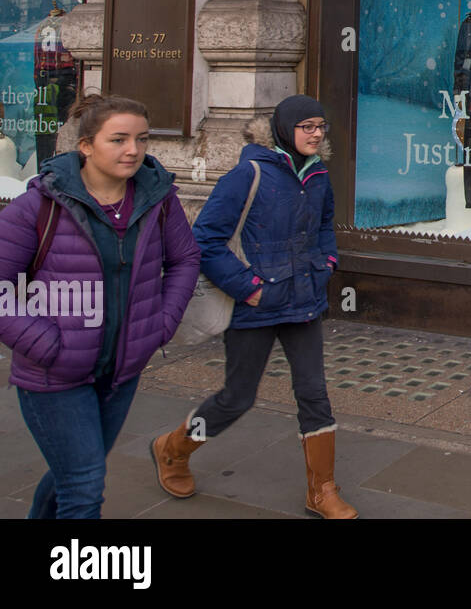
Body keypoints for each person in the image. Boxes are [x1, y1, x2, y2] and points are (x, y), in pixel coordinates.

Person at [150, 95, 357, 519]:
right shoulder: (249, 174)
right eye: (307, 126)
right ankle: (174, 448)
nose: (317, 133)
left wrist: (327, 264)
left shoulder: (317, 174)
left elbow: (324, 226)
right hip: (254, 306)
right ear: (286, 129)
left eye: (321, 126)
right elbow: (204, 239)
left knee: (314, 392)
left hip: (303, 301)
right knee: (236, 398)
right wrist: (250, 289)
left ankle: (322, 491)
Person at [0, 94, 201, 519]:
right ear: (86, 146)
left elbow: (184, 259)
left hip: (121, 370)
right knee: (85, 487)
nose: (133, 150)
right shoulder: (38, 205)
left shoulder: (157, 198)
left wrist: (162, 322)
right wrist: (44, 343)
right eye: (119, 139)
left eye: (142, 139)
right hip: (53, 374)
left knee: (71, 475)